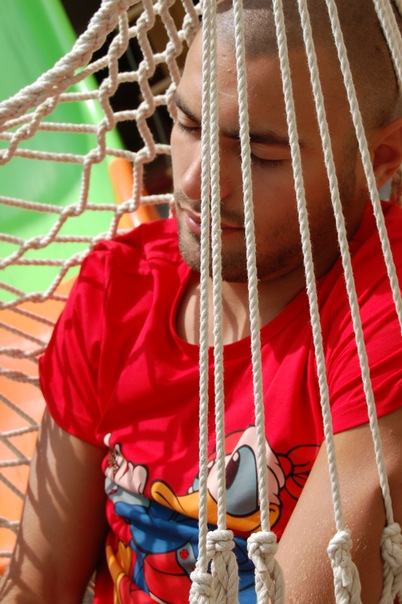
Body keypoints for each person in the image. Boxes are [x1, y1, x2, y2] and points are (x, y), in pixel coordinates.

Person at [1, 0, 402, 602]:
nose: (193, 183)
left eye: (259, 155)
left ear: (379, 158)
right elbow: (39, 583)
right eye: (188, 126)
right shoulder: (119, 291)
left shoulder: (382, 307)